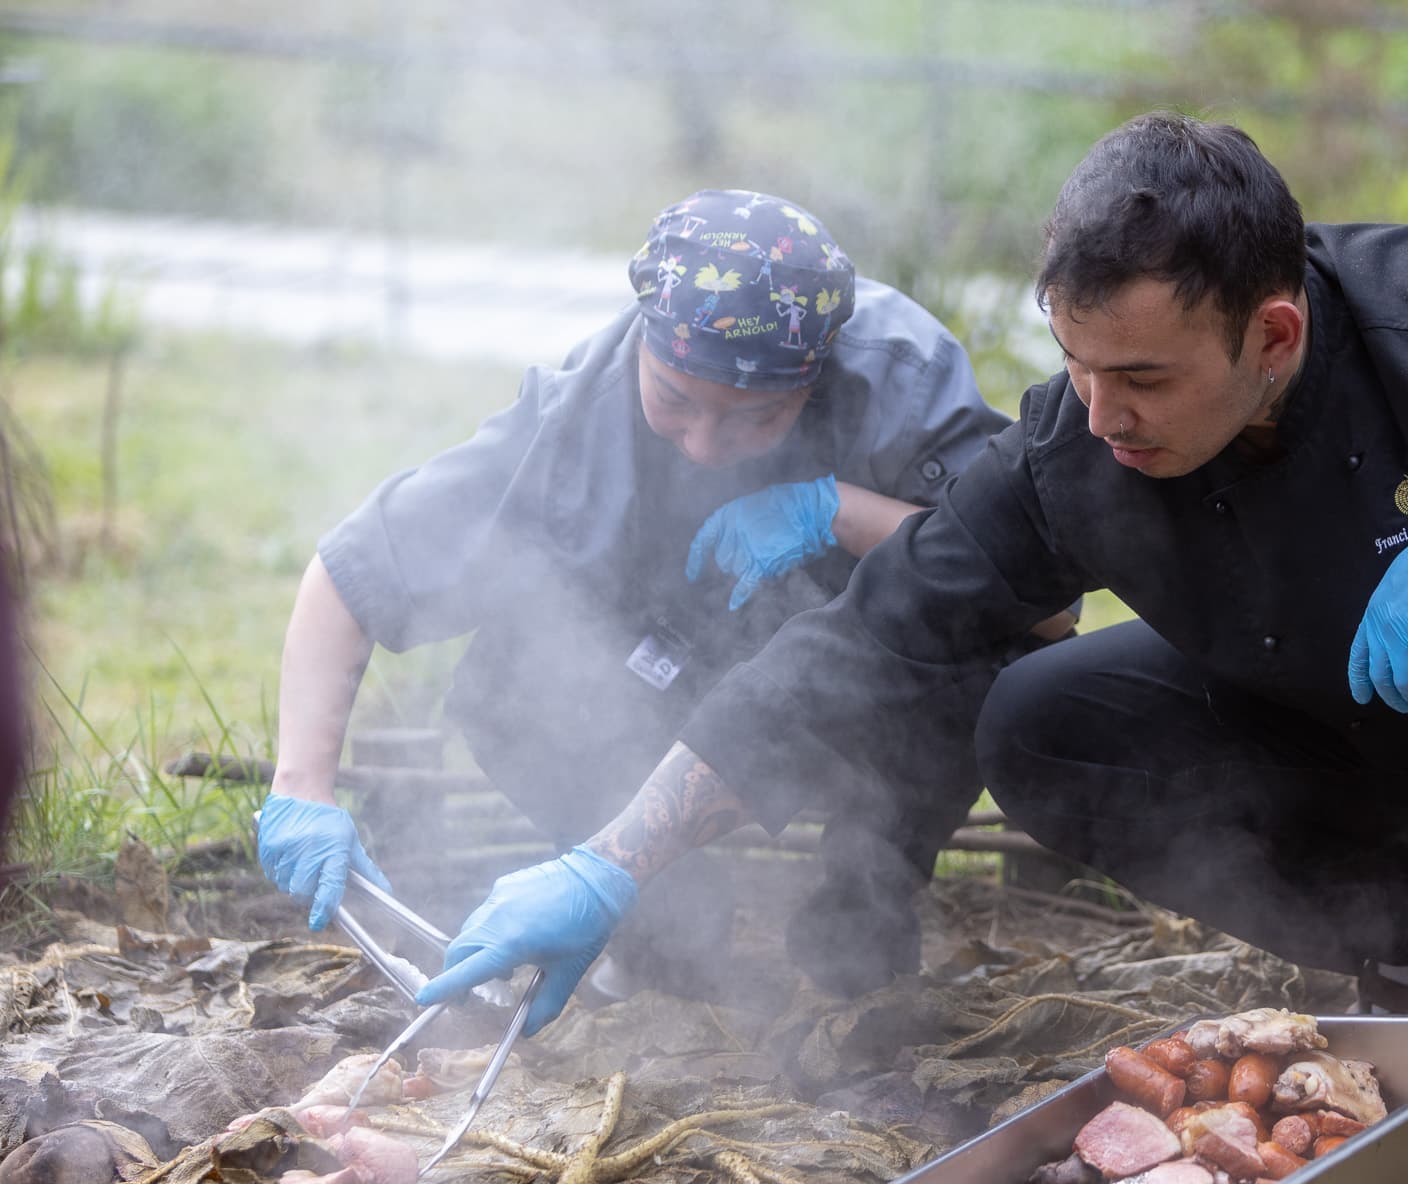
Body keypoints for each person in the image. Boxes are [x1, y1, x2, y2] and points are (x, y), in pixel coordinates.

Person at [413, 113, 1408, 1152]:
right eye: (1076, 364)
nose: (1101, 415)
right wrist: (609, 859)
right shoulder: (1068, 452)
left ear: (1272, 336)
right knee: (1039, 721)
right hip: (1345, 733)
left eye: (1142, 377)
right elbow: (861, 645)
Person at [256, 188, 1050, 1002]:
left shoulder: (902, 381)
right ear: (643, 341)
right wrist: (301, 790)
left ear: (812, 379)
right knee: (503, 688)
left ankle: (857, 919)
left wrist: (837, 511)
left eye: (756, 416)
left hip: (856, 702)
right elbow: (353, 573)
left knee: (978, 659)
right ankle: (666, 924)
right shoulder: (574, 417)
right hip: (671, 673)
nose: (706, 445)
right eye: (674, 400)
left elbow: (1046, 607)